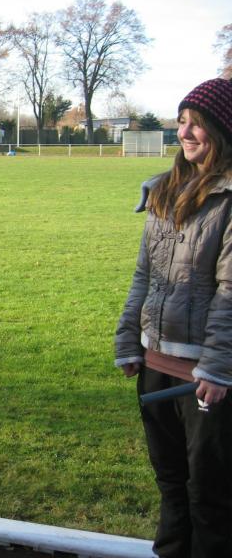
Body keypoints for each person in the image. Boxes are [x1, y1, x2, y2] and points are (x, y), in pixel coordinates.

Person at [115, 77, 232, 558]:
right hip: (155, 365)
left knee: (210, 498)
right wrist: (129, 338)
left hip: (204, 376)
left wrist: (219, 367)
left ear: (220, 131)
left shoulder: (228, 200)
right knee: (171, 486)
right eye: (181, 122)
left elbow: (230, 290)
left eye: (196, 124)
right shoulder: (165, 192)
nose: (185, 133)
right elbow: (146, 274)